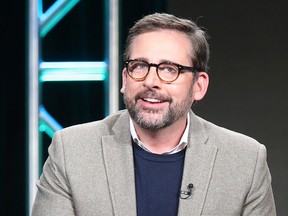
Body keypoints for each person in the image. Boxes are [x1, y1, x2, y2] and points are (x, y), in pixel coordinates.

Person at [32, 13, 276, 216]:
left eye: (169, 69)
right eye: (139, 66)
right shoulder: (70, 151)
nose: (151, 81)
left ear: (198, 86)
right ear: (125, 78)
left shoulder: (245, 160)